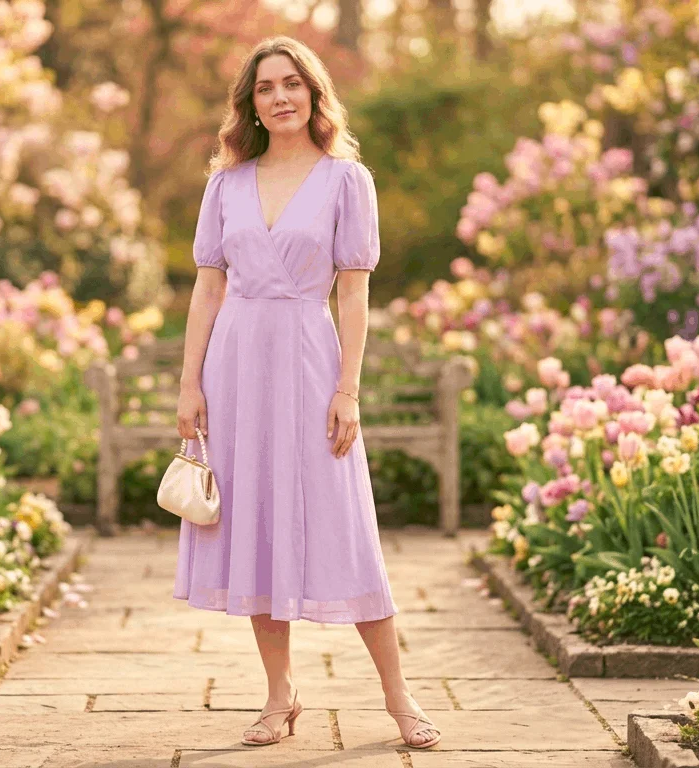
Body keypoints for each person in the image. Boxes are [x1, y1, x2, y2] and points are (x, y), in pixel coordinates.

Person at [172, 35, 441, 751]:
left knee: (344, 525)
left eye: (293, 83)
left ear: (314, 94)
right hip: (236, 367)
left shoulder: (346, 180)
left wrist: (347, 390)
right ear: (250, 103)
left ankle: (397, 694)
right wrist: (190, 381)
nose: (281, 97)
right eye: (266, 87)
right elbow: (208, 286)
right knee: (257, 527)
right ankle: (279, 694)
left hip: (310, 361)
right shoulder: (225, 184)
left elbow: (353, 293)